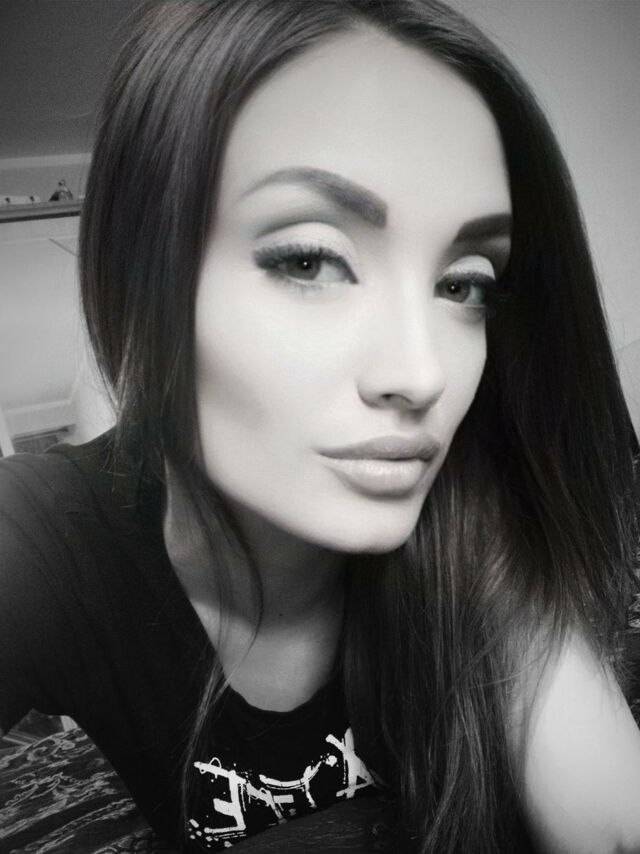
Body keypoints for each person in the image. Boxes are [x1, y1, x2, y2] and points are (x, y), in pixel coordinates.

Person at [1, 0, 640, 851]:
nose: (422, 375)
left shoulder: (474, 513)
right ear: (140, 273)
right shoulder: (44, 539)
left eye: (464, 284)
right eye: (309, 259)